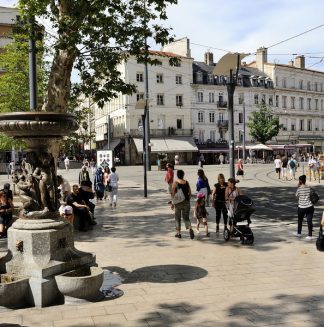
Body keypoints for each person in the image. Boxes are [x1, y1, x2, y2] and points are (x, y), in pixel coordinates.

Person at [171, 169, 194, 239]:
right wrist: (187, 200)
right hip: (186, 202)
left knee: (177, 218)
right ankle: (190, 228)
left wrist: (172, 203)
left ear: (177, 175)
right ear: (183, 175)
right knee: (186, 217)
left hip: (178, 203)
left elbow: (173, 194)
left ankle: (178, 233)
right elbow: (190, 193)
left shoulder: (175, 183)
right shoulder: (186, 182)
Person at [295, 175, 314, 240]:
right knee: (309, 221)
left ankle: (299, 233)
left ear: (300, 181)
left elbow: (296, 195)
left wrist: (298, 186)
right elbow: (312, 195)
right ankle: (310, 235)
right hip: (309, 206)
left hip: (301, 207)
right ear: (305, 180)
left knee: (300, 220)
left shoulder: (299, 188)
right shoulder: (309, 187)